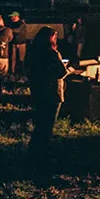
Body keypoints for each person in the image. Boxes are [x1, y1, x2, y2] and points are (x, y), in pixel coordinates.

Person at [25, 27, 71, 160]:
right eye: (54, 37)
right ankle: (42, 152)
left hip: (38, 90)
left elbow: (27, 69)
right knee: (48, 124)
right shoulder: (52, 53)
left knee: (40, 122)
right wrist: (68, 68)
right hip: (51, 92)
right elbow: (61, 73)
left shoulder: (32, 52)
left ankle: (33, 149)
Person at [6, 11, 28, 79]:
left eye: (13, 16)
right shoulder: (12, 24)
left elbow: (17, 30)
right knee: (13, 59)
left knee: (21, 59)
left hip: (21, 44)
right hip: (14, 43)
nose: (12, 18)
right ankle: (13, 73)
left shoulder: (22, 24)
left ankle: (22, 74)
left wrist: (9, 30)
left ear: (17, 16)